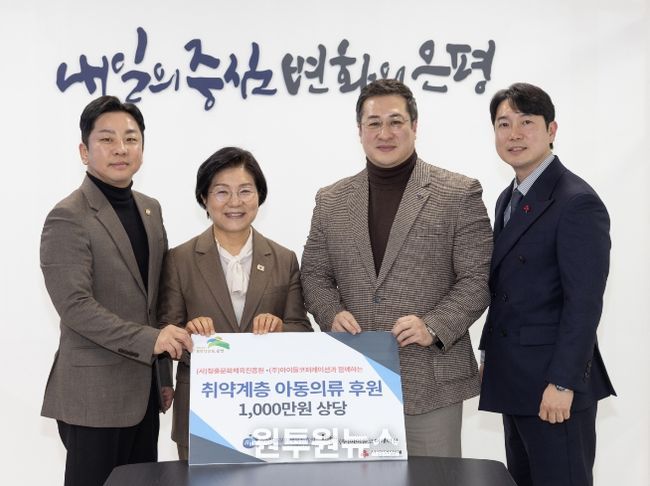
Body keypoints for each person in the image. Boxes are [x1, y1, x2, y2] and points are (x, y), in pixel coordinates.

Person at [300, 79, 493, 457]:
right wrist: (330, 313)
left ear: (414, 126)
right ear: (359, 131)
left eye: (395, 122)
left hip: (430, 379)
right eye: (373, 123)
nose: (384, 133)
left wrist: (433, 326)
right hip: (355, 379)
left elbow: (477, 279)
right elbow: (314, 275)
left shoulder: (458, 193)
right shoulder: (331, 200)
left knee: (435, 481)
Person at [40, 96, 193, 486]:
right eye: (107, 139)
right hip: (93, 397)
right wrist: (151, 340)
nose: (121, 148)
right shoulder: (68, 216)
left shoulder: (150, 209)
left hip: (144, 395)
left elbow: (154, 302)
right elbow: (76, 307)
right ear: (84, 151)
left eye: (131, 138)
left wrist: (163, 374)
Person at [478, 82, 616, 486]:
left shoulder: (576, 201)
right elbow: (506, 290)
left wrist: (563, 382)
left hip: (553, 390)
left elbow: (584, 303)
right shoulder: (508, 198)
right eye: (504, 124)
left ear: (551, 130)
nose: (514, 134)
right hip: (515, 380)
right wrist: (489, 355)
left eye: (527, 122)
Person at [157, 146, 313, 460]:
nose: (234, 202)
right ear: (204, 198)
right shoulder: (179, 259)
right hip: (200, 414)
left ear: (259, 196)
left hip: (269, 410)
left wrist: (280, 328)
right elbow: (165, 330)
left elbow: (302, 330)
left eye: (245, 191)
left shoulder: (283, 259)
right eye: (221, 192)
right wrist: (188, 333)